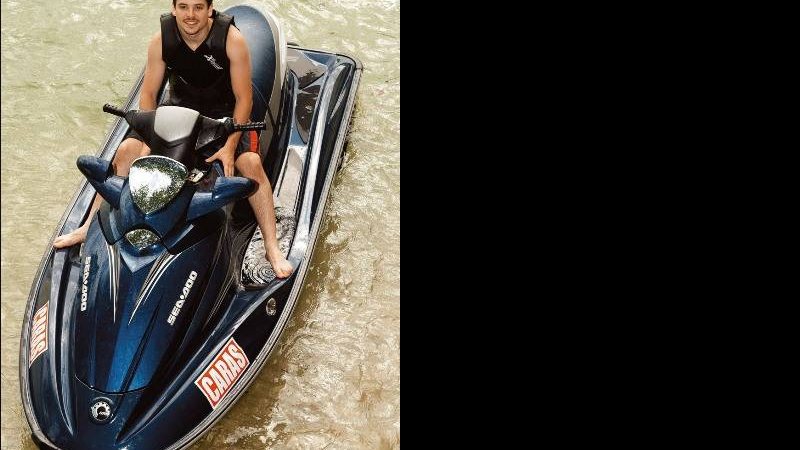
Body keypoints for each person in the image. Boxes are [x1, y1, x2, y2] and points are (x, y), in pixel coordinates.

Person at [54, 0, 293, 278]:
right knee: (127, 149)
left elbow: (244, 99)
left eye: (198, 8)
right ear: (174, 8)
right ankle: (87, 228)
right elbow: (148, 95)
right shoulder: (161, 40)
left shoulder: (232, 40)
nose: (190, 15)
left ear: (210, 9)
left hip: (222, 118)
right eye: (184, 7)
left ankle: (272, 248)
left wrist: (229, 147)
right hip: (176, 110)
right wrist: (148, 137)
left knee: (250, 163)